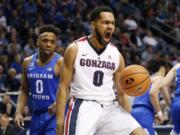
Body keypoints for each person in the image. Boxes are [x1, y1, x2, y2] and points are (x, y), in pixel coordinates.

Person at [56, 6, 146, 135]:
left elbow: (121, 93)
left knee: (140, 133)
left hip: (110, 107)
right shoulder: (75, 48)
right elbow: (63, 87)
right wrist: (59, 122)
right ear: (93, 25)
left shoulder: (117, 55)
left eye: (113, 23)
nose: (110, 26)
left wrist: (128, 118)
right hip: (83, 106)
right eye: (105, 22)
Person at [14, 24, 63, 135]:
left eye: (52, 42)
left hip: (55, 115)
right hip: (37, 114)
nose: (48, 44)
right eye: (45, 41)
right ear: (37, 42)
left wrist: (58, 103)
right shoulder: (27, 62)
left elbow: (71, 89)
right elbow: (24, 90)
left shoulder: (60, 62)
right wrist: (18, 112)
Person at [131, 58, 171, 135]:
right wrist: (159, 112)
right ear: (162, 69)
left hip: (135, 112)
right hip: (144, 113)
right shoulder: (159, 78)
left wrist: (153, 113)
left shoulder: (146, 80)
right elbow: (152, 93)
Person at [160, 63, 180, 135]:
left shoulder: (177, 66)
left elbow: (162, 86)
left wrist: (170, 104)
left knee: (176, 131)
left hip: (176, 103)